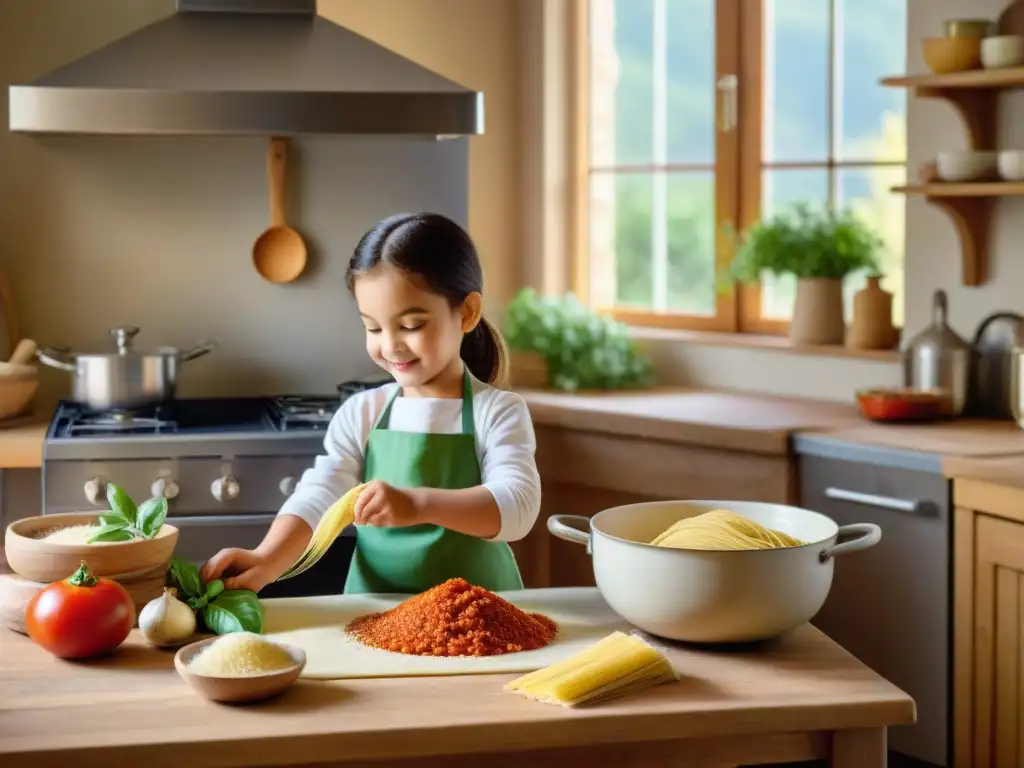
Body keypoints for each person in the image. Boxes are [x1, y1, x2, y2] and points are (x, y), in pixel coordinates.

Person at [200, 212, 541, 595]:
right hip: (374, 618)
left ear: (466, 313)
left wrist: (418, 504)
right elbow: (321, 492)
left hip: (477, 623)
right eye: (373, 327)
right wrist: (266, 559)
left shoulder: (496, 411)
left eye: (411, 325)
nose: (390, 345)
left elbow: (518, 507)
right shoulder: (361, 413)